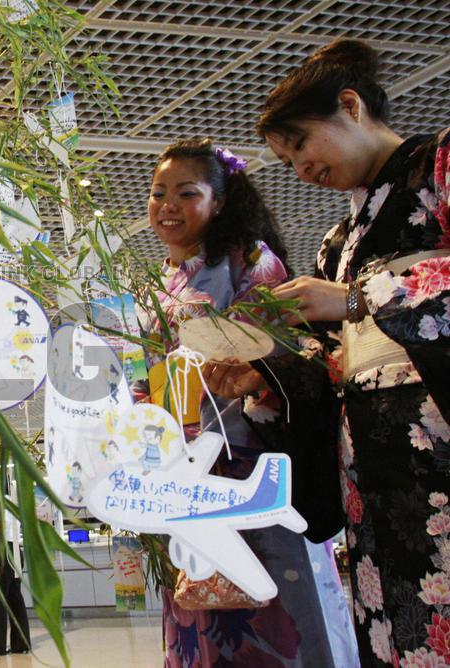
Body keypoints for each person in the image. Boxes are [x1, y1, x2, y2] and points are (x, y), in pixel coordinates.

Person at [205, 38, 449, 666]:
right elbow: (331, 355)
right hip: (370, 460)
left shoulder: (439, 168)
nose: (301, 169)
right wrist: (266, 373)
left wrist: (357, 298)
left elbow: (356, 309)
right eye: (287, 162)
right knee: (389, 619)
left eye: (302, 145)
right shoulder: (336, 242)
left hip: (437, 439)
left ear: (350, 106)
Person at [141, 138, 357, 666]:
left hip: (248, 459)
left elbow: (284, 354)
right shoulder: (158, 283)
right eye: (158, 192)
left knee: (273, 601)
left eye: (186, 193)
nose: (167, 205)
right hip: (182, 465)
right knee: (199, 597)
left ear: (219, 201)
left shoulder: (252, 262)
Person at [0, 471, 30, 657]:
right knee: (15, 597)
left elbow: (2, 525)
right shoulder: (13, 501)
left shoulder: (0, 501)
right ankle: (21, 643)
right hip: (16, 550)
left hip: (4, 551)